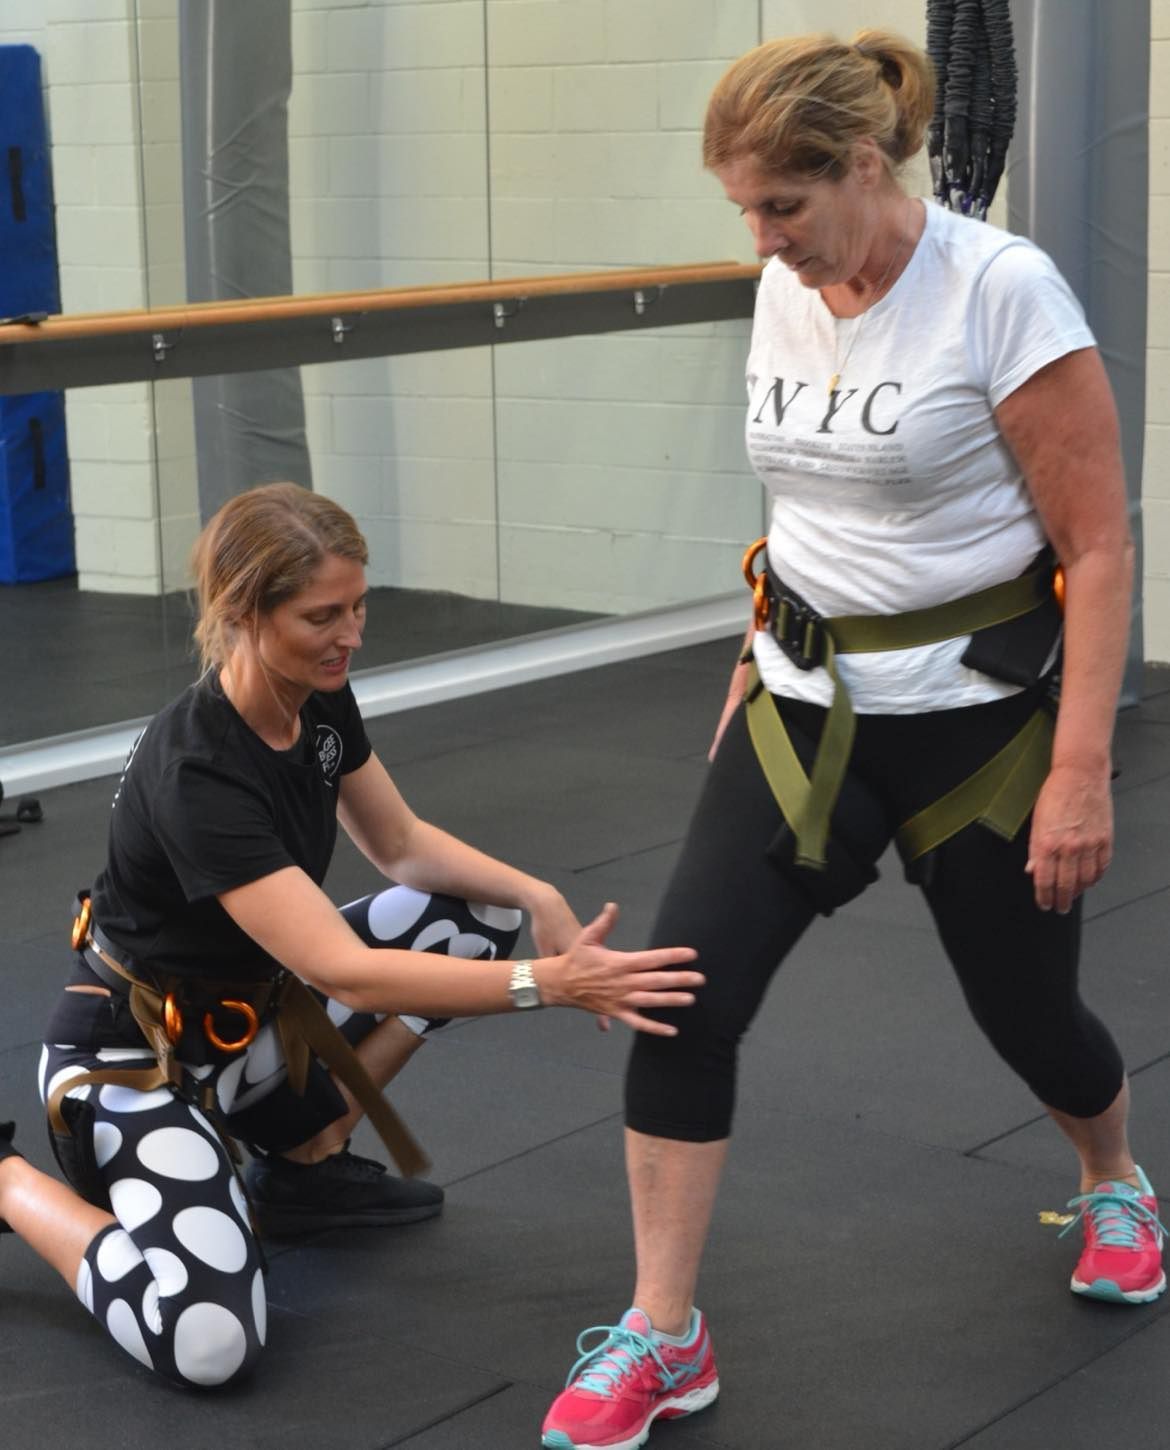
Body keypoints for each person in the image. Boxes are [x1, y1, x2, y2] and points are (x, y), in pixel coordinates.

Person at [541, 28, 1159, 1450]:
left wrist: (1077, 767)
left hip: (979, 730)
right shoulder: (785, 288)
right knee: (680, 997)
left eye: (781, 207)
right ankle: (661, 1328)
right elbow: (806, 503)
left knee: (1029, 1020)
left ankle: (1111, 1173)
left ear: (864, 166)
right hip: (799, 706)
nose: (759, 240)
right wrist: (751, 653)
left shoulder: (1000, 293)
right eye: (742, 210)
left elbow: (1099, 544)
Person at [0, 481, 703, 1389]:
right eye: (322, 614)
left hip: (250, 1021)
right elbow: (347, 971)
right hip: (136, 1063)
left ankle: (299, 1166)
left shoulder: (316, 698)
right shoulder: (199, 773)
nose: (352, 635)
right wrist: (551, 983)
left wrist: (539, 894)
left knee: (476, 915)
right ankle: (12, 1186)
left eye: (358, 607)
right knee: (207, 1346)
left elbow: (404, 848)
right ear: (243, 612)